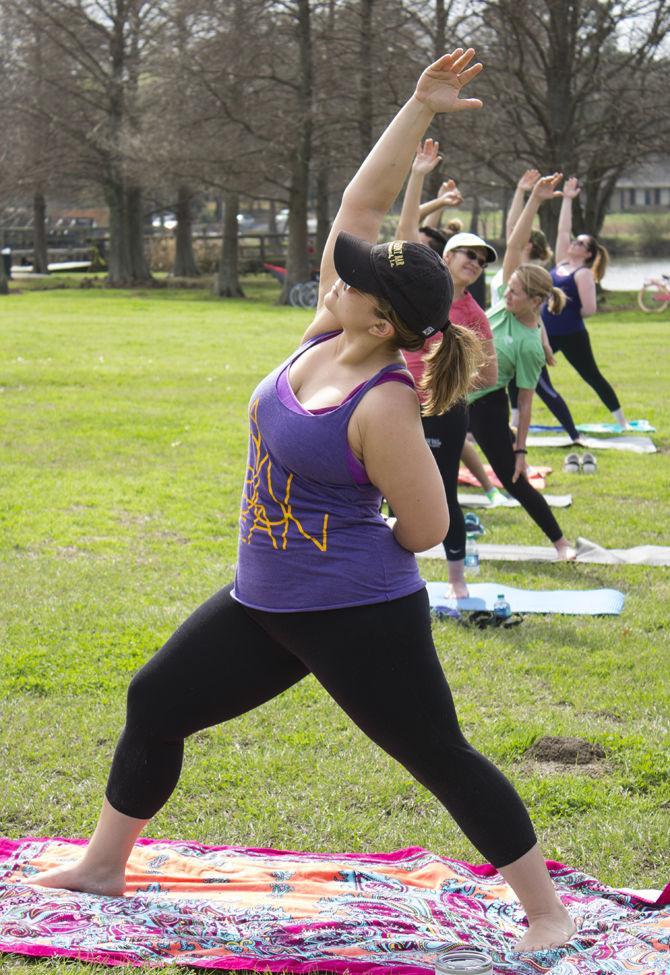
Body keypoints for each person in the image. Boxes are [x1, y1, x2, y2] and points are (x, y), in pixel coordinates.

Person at [29, 50, 575, 954]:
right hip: (263, 600)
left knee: (437, 755)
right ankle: (102, 862)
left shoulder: (387, 402)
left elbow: (430, 526)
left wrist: (353, 549)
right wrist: (413, 106)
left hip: (358, 613)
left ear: (384, 319)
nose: (341, 268)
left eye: (356, 275)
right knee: (156, 699)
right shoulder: (328, 328)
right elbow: (362, 205)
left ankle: (548, 913)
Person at [397, 165, 500, 598]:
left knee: (442, 493)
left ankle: (457, 582)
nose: (475, 264)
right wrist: (418, 175)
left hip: (444, 411)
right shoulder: (421, 289)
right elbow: (403, 236)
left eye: (480, 260)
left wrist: (450, 377)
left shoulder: (474, 315)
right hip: (397, 402)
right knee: (389, 490)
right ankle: (391, 576)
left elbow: (491, 374)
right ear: (446, 257)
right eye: (468, 255)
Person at [467, 174, 576, 561]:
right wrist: (533, 199)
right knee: (422, 459)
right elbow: (514, 241)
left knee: (516, 482)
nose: (504, 293)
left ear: (533, 301)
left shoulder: (530, 344)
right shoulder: (505, 302)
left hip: (484, 407)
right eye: (507, 288)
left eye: (513, 292)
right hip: (450, 393)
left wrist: (521, 450)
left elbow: (525, 402)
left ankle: (560, 543)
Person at [499, 170, 581, 443]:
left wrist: (544, 344)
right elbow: (513, 230)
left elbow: (536, 317)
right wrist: (522, 193)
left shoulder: (531, 275)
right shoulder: (513, 272)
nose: (513, 234)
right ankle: (507, 431)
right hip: (504, 336)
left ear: (529, 244)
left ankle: (573, 435)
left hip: (523, 337)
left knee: (542, 391)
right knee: (506, 386)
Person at [542, 176, 627, 428]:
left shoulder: (583, 274)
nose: (573, 243)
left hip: (572, 334)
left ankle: (621, 421)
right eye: (575, 240)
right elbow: (562, 231)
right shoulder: (560, 264)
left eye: (580, 243)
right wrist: (568, 199)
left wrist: (564, 311)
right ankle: (515, 418)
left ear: (587, 253)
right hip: (547, 332)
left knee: (591, 375)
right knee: (523, 370)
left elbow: (589, 309)